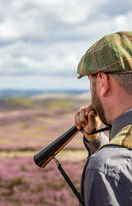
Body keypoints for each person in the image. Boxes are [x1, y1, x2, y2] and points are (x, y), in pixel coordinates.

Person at [75, 31, 132, 206]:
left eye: (91, 83)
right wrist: (96, 141)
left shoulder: (105, 168)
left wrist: (105, 156)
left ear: (102, 82)